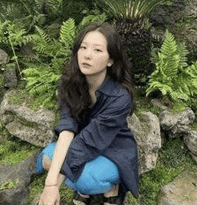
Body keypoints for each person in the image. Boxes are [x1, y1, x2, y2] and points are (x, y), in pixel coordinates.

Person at [36, 22, 139, 205]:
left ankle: (110, 189)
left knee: (82, 178)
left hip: (112, 149)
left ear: (110, 60)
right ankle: (83, 185)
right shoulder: (69, 84)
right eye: (83, 47)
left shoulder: (120, 97)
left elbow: (88, 142)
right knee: (47, 156)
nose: (87, 55)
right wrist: (51, 184)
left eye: (98, 50)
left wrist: (53, 184)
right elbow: (68, 128)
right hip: (81, 143)